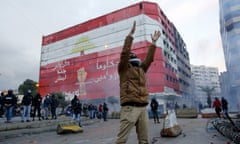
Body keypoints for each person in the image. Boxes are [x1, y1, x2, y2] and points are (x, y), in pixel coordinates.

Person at [115, 21, 161, 144]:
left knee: (144, 140)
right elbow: (124, 53)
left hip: (143, 109)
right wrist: (130, 36)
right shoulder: (123, 69)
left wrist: (154, 43)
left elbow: (149, 59)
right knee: (121, 140)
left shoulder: (141, 69)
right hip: (129, 108)